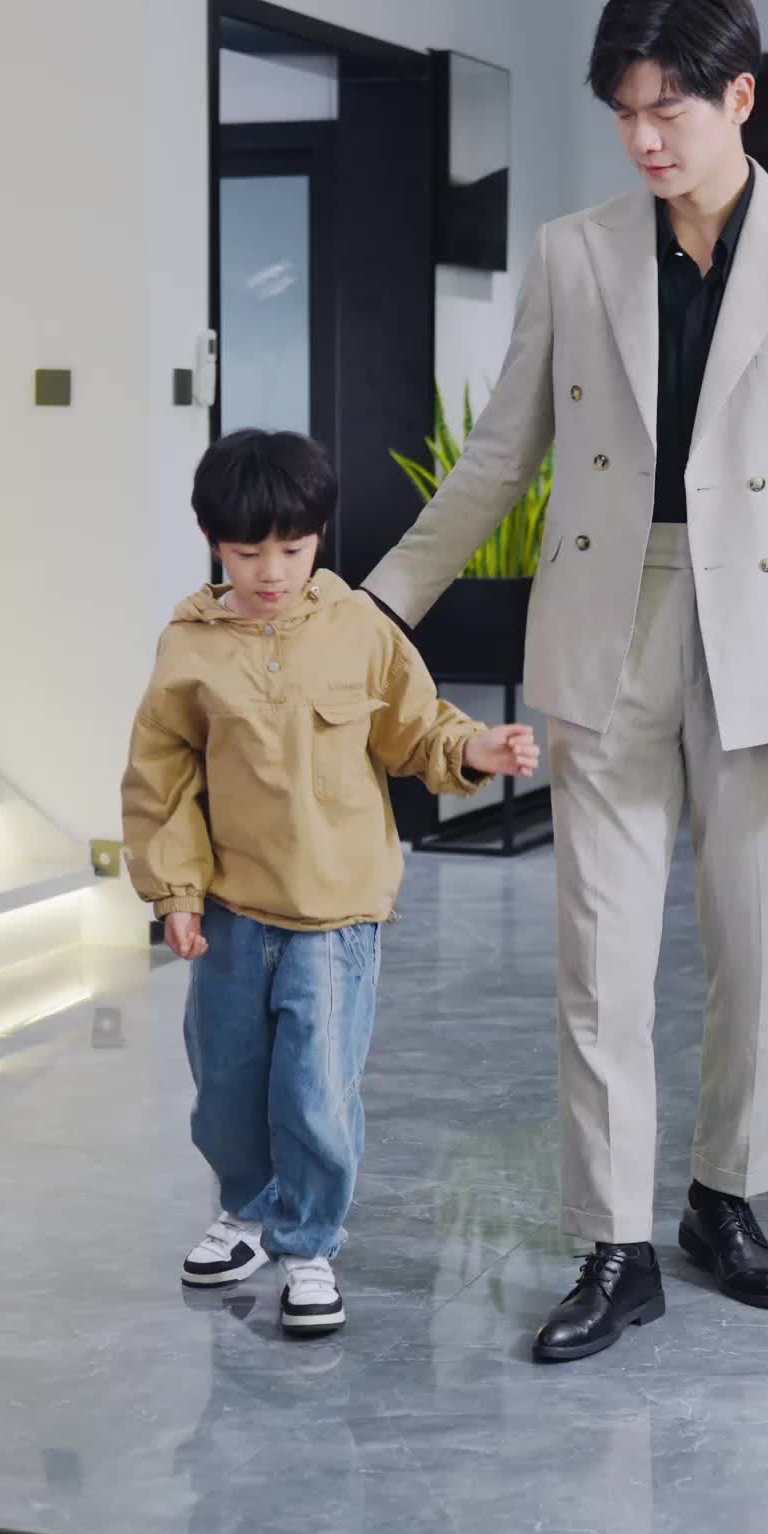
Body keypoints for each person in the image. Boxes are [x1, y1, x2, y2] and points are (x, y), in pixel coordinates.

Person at [364, 0, 768, 1363]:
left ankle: (724, 1198)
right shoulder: (576, 254)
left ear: (740, 97)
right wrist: (380, 604)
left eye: (670, 110)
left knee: (755, 947)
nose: (645, 139)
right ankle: (615, 1245)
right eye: (624, 113)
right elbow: (498, 457)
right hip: (610, 622)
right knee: (601, 959)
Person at [121, 428, 538, 1337]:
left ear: (319, 538)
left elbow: (416, 729)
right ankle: (246, 1213)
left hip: (336, 914)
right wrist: (176, 894)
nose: (271, 572)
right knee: (226, 1086)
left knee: (314, 1091)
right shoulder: (188, 648)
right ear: (214, 544)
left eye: (293, 549)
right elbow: (162, 782)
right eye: (247, 553)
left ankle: (308, 1243)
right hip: (231, 913)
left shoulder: (360, 630)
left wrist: (474, 748)